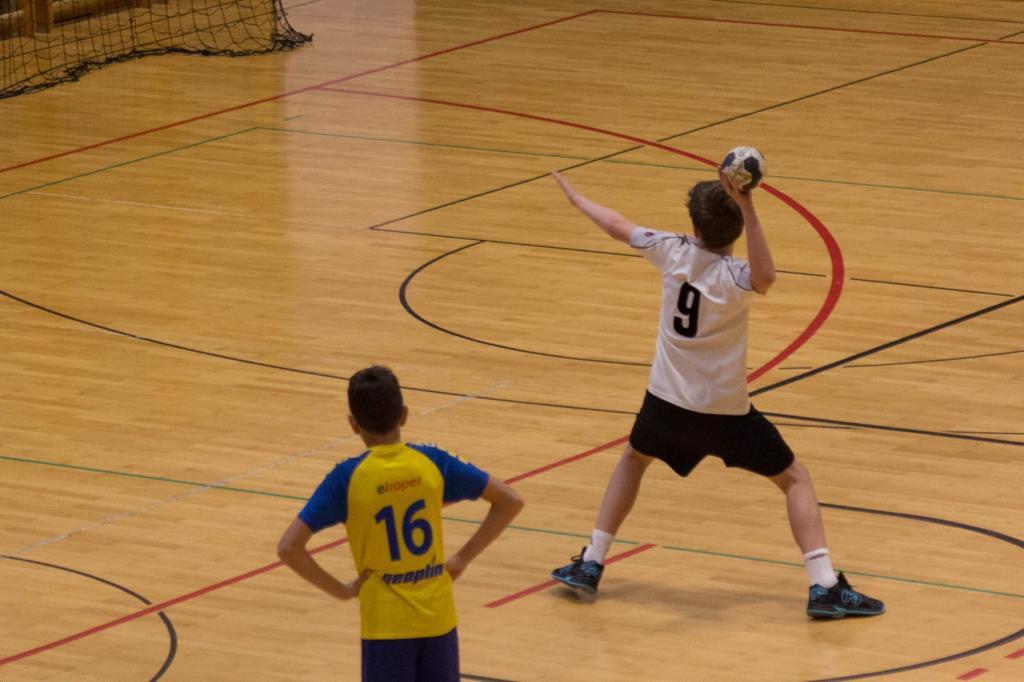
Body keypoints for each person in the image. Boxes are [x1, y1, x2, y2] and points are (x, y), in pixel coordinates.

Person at [548, 169, 884, 619]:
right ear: (737, 229)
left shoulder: (672, 251)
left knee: (633, 459)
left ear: (694, 226)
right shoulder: (734, 276)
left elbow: (616, 224)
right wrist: (750, 208)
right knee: (794, 479)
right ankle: (822, 585)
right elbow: (766, 277)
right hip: (725, 413)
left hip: (666, 402)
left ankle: (592, 561)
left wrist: (577, 198)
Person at [278, 365, 525, 680]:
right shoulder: (433, 462)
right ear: (404, 415)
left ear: (353, 424)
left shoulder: (346, 479)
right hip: (438, 619)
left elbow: (289, 548)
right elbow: (510, 501)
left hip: (386, 626)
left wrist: (343, 591)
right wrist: (461, 559)